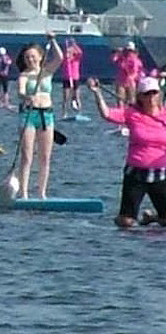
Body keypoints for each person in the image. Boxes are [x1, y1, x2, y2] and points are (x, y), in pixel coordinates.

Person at [88, 76, 166, 227]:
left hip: (160, 174)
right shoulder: (131, 114)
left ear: (159, 94)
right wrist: (97, 92)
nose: (150, 97)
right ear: (140, 96)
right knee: (126, 223)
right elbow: (106, 114)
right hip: (136, 173)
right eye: (146, 94)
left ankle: (153, 217)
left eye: (154, 93)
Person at [14, 34, 64, 199]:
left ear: (40, 57)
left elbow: (60, 57)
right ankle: (24, 192)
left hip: (46, 115)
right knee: (27, 155)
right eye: (27, 57)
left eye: (33, 56)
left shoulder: (47, 72)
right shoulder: (24, 75)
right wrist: (26, 97)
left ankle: (42, 193)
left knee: (45, 157)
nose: (30, 59)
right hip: (29, 115)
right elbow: (20, 92)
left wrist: (52, 40)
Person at [112, 42, 143, 107]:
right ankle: (120, 111)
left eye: (131, 51)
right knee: (120, 98)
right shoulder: (122, 58)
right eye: (128, 50)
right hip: (121, 81)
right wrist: (117, 52)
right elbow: (114, 60)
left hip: (131, 82)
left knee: (131, 100)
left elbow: (135, 71)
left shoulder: (135, 60)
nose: (129, 52)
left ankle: (131, 112)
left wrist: (131, 78)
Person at [61, 37, 84, 117]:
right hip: (67, 79)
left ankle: (79, 113)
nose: (68, 53)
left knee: (76, 97)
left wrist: (74, 44)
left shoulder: (76, 59)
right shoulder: (65, 60)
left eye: (70, 52)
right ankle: (64, 114)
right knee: (66, 98)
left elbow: (80, 53)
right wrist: (66, 56)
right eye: (67, 52)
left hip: (75, 78)